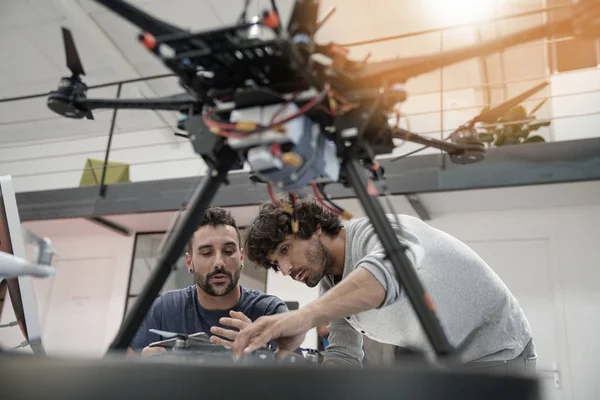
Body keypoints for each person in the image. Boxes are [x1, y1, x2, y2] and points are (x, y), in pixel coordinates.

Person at [231, 197, 537, 373]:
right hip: (447, 369)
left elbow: (387, 273)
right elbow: (344, 356)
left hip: (498, 355)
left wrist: (301, 317)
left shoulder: (379, 231)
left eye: (285, 250)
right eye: (275, 264)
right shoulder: (332, 284)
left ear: (316, 228)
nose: (285, 270)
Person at [128, 206, 289, 355]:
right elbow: (125, 365)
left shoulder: (269, 311)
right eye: (206, 253)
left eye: (228, 251)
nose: (219, 262)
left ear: (241, 257)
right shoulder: (164, 309)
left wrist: (263, 352)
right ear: (189, 262)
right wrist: (145, 365)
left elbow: (296, 372)